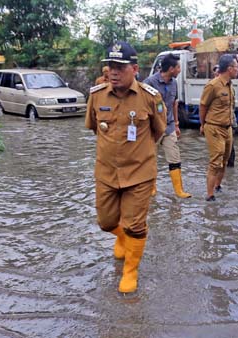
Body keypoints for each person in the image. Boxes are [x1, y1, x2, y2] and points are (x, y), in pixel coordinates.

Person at [85, 41, 167, 294]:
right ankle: (121, 237)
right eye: (110, 66)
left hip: (139, 174)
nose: (114, 71)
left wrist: (138, 154)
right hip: (106, 173)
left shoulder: (150, 98)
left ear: (134, 68)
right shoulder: (97, 96)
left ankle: (130, 272)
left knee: (135, 225)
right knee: (106, 222)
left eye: (120, 66)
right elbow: (92, 128)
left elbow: (159, 132)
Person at [142, 54, 191, 198]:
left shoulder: (174, 83)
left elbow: (174, 103)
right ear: (171, 69)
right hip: (152, 128)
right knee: (150, 159)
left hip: (169, 126)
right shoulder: (149, 82)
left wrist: (176, 124)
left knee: (174, 157)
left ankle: (179, 190)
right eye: (178, 67)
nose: (180, 70)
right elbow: (141, 106)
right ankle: (151, 188)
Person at [199, 54, 238, 201]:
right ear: (229, 69)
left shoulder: (230, 86)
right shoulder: (213, 85)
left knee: (226, 159)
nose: (237, 70)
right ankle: (210, 195)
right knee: (216, 161)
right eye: (236, 67)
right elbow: (203, 106)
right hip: (214, 127)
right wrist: (203, 125)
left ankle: (217, 186)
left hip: (227, 128)